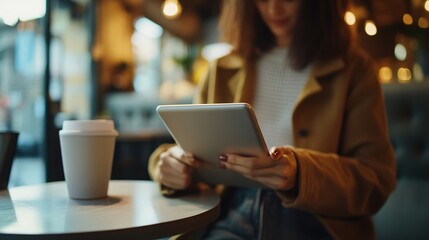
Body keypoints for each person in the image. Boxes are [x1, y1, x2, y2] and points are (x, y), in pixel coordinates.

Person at [148, 0, 396, 239]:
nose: (273, 8)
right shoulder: (219, 70)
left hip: (314, 221)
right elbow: (190, 151)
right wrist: (168, 166)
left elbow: (375, 181)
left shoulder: (355, 69)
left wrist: (300, 173)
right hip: (228, 213)